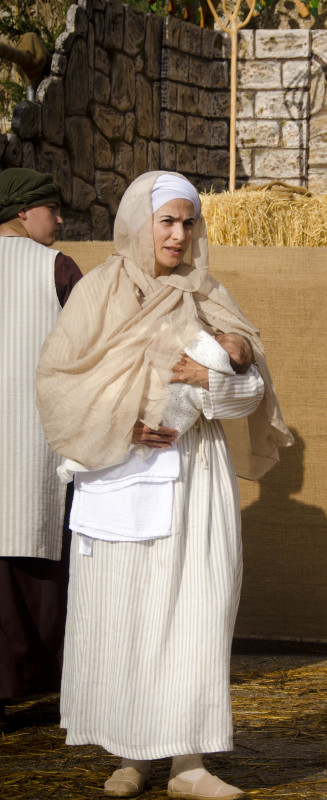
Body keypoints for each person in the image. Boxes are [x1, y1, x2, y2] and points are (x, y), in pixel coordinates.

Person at [36, 171, 292, 799]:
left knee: (195, 613)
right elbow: (59, 384)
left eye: (188, 222)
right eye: (167, 221)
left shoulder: (208, 293)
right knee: (124, 613)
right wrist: (124, 419)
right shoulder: (97, 291)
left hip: (194, 478)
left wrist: (205, 381)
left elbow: (253, 390)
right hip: (118, 470)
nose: (179, 235)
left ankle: (188, 763)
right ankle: (129, 755)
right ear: (137, 221)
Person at [0, 168, 82, 731]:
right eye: (52, 209)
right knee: (41, 560)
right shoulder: (56, 268)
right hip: (36, 447)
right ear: (24, 213)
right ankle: (52, 691)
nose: (59, 220)